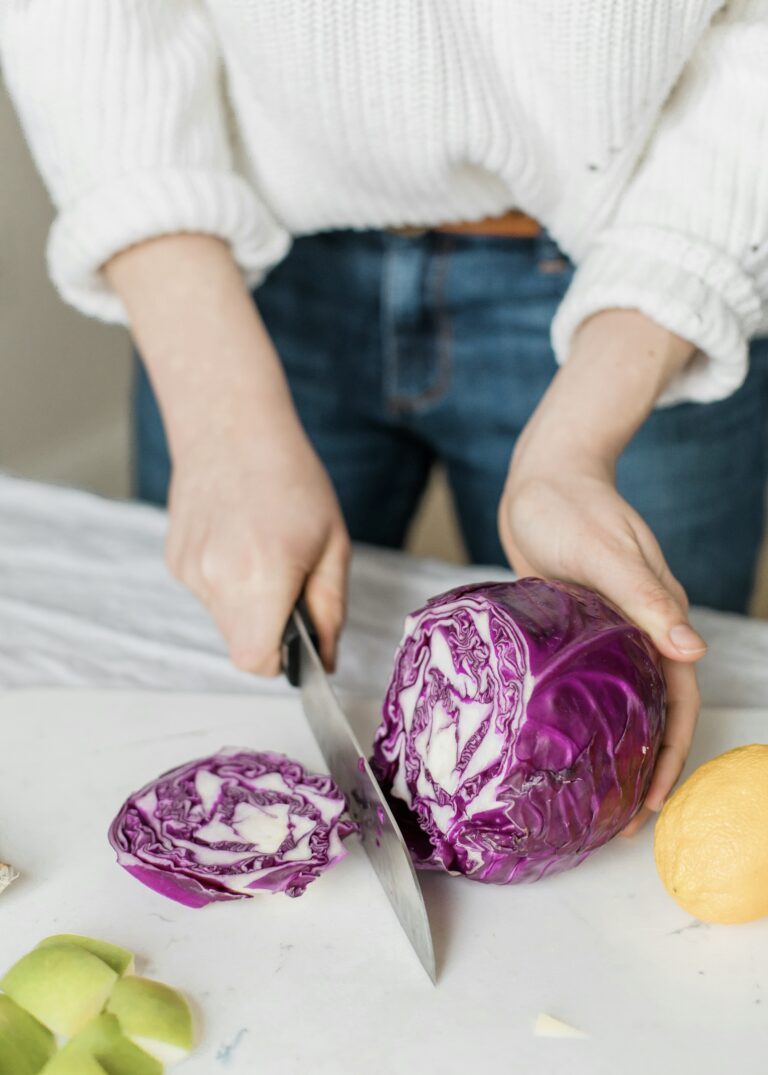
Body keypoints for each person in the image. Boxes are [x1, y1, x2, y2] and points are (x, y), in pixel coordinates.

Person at [2, 2, 767, 831]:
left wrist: (573, 450)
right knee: (223, 685)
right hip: (233, 267)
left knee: (641, 749)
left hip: (647, 259)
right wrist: (219, 419)